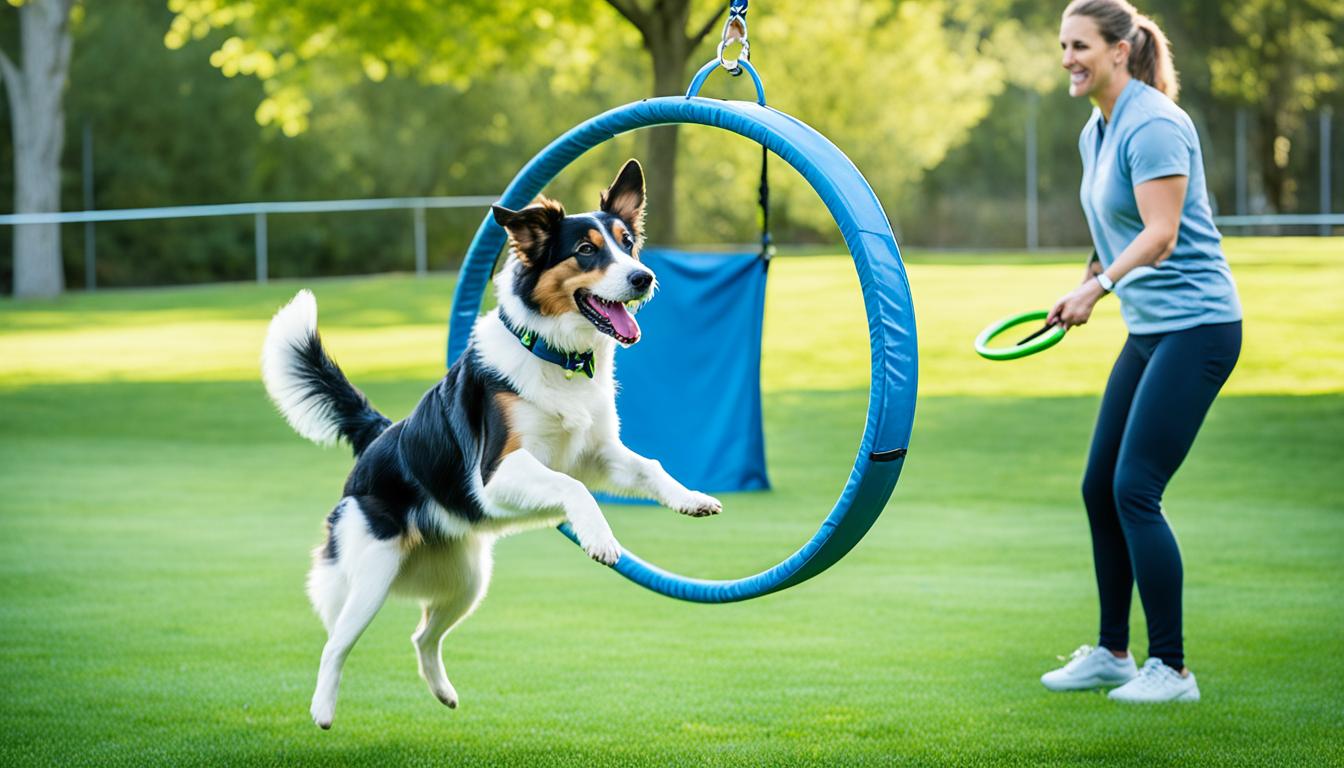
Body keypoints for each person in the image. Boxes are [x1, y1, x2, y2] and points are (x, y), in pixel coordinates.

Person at [1038, 0, 1242, 703]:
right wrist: (1084, 280)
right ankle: (1113, 652)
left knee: (1135, 489)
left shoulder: (1155, 122)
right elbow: (1110, 223)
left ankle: (1173, 669)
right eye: (1063, 46)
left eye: (1080, 45)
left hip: (1199, 327)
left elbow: (1159, 232)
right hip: (1152, 330)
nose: (1067, 58)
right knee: (1100, 486)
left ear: (1120, 50)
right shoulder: (1097, 129)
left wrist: (1100, 290)